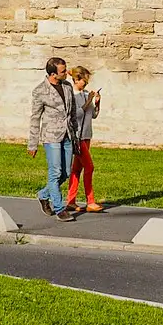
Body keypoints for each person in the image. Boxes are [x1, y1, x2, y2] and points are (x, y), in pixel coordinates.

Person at [26, 55, 73, 217]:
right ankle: (60, 209)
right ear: (53, 74)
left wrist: (76, 135)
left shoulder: (67, 86)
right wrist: (32, 144)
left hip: (67, 135)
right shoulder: (40, 91)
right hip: (51, 136)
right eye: (63, 71)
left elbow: (71, 113)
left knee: (66, 173)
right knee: (55, 172)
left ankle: (43, 195)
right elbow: (35, 118)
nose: (67, 73)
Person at [62, 65, 102, 213]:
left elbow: (93, 115)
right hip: (77, 137)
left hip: (86, 135)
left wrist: (97, 103)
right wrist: (88, 102)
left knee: (77, 169)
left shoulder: (86, 94)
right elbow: (76, 115)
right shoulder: (71, 95)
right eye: (83, 81)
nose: (85, 84)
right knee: (89, 167)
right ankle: (90, 201)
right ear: (76, 79)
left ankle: (70, 201)